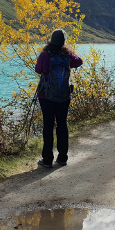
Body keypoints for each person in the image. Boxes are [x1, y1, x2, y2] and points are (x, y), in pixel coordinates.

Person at [35, 29, 82, 168]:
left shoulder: (45, 54)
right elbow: (79, 62)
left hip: (46, 96)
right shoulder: (67, 55)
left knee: (48, 126)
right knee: (62, 124)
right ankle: (62, 158)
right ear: (64, 42)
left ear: (51, 40)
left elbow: (38, 70)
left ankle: (47, 159)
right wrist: (69, 53)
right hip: (64, 95)